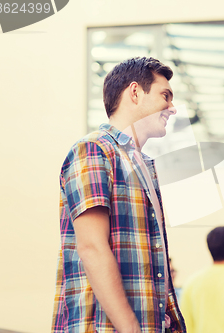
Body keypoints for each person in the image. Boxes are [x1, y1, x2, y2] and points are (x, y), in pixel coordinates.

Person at [51, 57, 186, 333]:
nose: (172, 108)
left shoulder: (146, 167)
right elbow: (92, 247)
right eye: (165, 96)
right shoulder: (93, 150)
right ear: (135, 93)